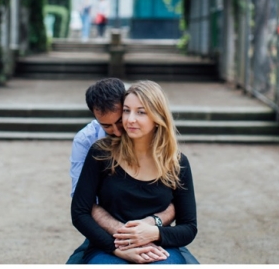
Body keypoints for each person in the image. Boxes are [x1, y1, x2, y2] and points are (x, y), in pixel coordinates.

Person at [71, 81, 198, 264]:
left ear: (157, 117)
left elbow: (189, 227)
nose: (130, 120)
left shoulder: (177, 163)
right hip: (109, 244)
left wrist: (153, 232)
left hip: (158, 246)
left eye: (141, 112)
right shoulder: (100, 152)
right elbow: (80, 211)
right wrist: (119, 247)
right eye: (126, 110)